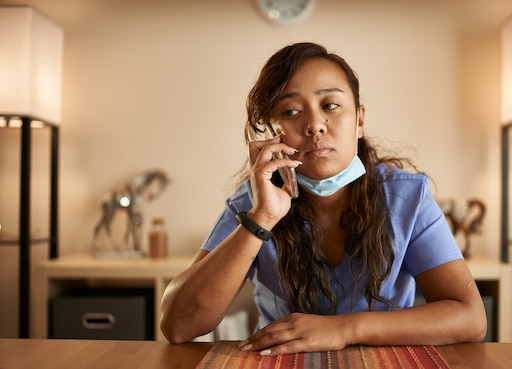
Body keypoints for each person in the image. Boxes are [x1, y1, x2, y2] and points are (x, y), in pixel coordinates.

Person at [160, 42, 487, 353]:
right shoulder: (254, 201)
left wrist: (345, 329)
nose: (315, 124)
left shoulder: (407, 195)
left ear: (359, 120)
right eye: (290, 111)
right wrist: (262, 219)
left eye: (329, 105)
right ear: (275, 132)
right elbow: (177, 325)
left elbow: (470, 318)